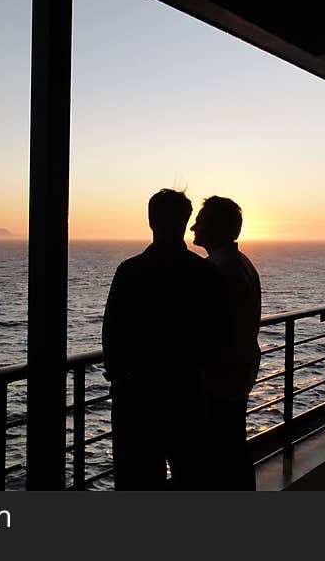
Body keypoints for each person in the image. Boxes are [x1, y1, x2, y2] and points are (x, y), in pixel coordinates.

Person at [103, 189, 227, 490]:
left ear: (150, 221)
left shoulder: (130, 271)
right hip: (187, 395)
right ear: (184, 222)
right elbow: (217, 335)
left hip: (137, 399)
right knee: (194, 478)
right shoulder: (204, 273)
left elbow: (112, 335)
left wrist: (121, 376)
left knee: (137, 482)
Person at [191, 196, 262, 490]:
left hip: (218, 379)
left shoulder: (218, 271)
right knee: (233, 448)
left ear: (219, 228)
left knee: (219, 455)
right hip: (236, 374)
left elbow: (206, 330)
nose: (194, 226)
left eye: (202, 221)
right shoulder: (240, 264)